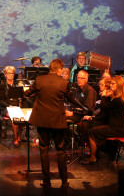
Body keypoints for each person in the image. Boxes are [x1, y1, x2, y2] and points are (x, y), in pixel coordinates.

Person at [24, 59, 87, 188]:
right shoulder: (64, 83)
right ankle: (64, 181)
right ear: (59, 70)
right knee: (60, 150)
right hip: (57, 120)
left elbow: (27, 93)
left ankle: (46, 181)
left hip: (42, 120)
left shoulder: (39, 80)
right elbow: (72, 99)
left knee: (44, 150)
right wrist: (84, 108)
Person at [81, 76, 124, 165]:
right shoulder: (119, 98)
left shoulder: (118, 100)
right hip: (116, 128)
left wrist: (104, 95)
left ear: (118, 85)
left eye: (113, 84)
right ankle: (96, 152)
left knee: (92, 132)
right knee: (94, 128)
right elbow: (109, 108)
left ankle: (93, 157)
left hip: (116, 130)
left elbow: (103, 107)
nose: (111, 86)